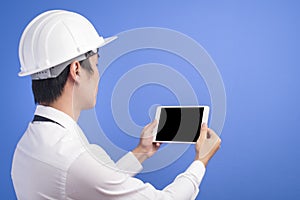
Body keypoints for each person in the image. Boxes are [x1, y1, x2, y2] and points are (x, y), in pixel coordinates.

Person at [11, 10, 221, 200]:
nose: (99, 75)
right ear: (76, 70)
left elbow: (94, 184)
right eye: (96, 64)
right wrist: (200, 162)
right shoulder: (72, 158)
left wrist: (142, 151)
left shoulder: (29, 144)